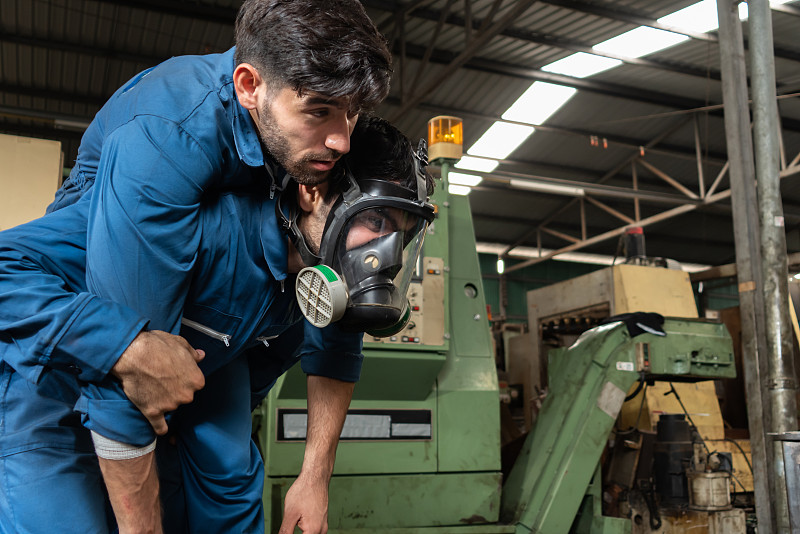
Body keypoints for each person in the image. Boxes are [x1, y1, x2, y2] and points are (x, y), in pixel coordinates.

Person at [0, 116, 436, 533]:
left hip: (173, 396)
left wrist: (313, 479)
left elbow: (337, 355)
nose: (388, 255)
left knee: (231, 482)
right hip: (49, 393)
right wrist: (122, 344)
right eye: (376, 221)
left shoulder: (314, 285)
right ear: (312, 192)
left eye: (404, 232)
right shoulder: (176, 223)